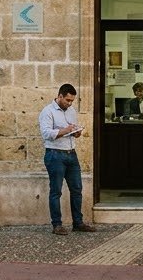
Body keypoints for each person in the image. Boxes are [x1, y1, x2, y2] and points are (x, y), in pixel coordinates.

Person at [38, 83, 98, 235]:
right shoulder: (48, 111)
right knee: (56, 191)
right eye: (67, 100)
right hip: (55, 154)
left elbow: (71, 129)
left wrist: (76, 132)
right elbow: (46, 133)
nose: (70, 103)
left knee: (77, 189)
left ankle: (78, 222)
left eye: (72, 101)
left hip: (71, 153)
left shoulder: (71, 111)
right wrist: (66, 130)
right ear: (60, 96)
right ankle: (57, 224)